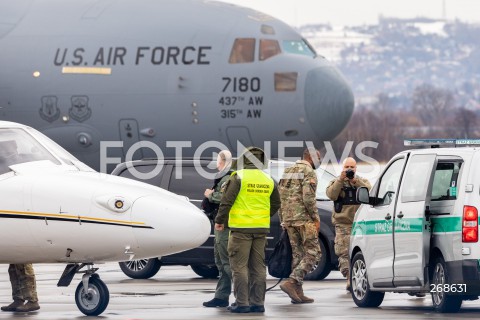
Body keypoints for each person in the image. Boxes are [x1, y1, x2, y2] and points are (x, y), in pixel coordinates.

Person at [215, 147, 281, 313]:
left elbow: (226, 201)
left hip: (240, 230)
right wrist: (263, 215)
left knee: (239, 267)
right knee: (258, 267)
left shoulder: (238, 177)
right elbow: (276, 203)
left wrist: (219, 221)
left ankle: (242, 303)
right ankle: (257, 303)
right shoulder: (268, 179)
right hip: (261, 229)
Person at [278, 148, 322, 304]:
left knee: (298, 254)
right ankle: (292, 281)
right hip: (304, 219)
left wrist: (283, 219)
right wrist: (316, 218)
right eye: (319, 158)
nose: (320, 161)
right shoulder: (309, 171)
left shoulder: (288, 170)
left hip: (289, 220)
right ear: (311, 158)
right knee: (314, 253)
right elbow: (308, 198)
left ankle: (297, 291)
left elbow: (280, 196)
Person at [326, 157, 371, 291]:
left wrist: (355, 182)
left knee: (361, 252)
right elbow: (331, 194)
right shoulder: (336, 182)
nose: (350, 170)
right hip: (343, 223)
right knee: (343, 252)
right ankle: (349, 278)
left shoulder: (361, 181)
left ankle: (359, 278)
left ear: (356, 168)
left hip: (360, 223)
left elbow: (369, 191)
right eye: (347, 167)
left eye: (352, 167)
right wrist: (341, 180)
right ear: (343, 168)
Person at [202, 150, 234, 308]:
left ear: (223, 162)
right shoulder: (223, 177)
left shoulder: (227, 178)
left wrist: (210, 195)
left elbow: (225, 198)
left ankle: (243, 296)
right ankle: (221, 296)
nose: (216, 163)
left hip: (225, 225)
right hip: (220, 224)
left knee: (227, 263)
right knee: (220, 262)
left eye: (217, 160)